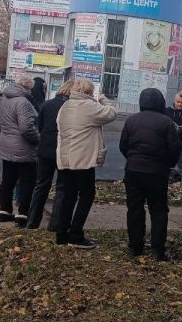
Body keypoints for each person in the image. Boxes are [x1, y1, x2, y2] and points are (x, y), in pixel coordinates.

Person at [119, 88, 182, 261]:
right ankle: (157, 250)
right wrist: (167, 164)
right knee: (159, 210)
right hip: (157, 172)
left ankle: (135, 247)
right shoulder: (166, 122)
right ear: (160, 102)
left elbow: (123, 146)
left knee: (134, 209)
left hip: (133, 170)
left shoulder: (131, 120)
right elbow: (175, 148)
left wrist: (132, 159)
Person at [55, 79, 118, 249]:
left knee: (68, 196)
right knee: (87, 195)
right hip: (82, 160)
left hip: (64, 159)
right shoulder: (89, 107)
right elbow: (112, 113)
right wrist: (104, 99)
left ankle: (61, 234)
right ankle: (75, 234)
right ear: (89, 93)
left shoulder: (65, 106)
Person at [26, 80, 74, 231]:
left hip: (45, 150)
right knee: (62, 188)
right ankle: (55, 225)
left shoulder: (46, 104)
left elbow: (39, 126)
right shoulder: (72, 107)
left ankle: (32, 222)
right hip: (63, 151)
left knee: (41, 185)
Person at [0, 77, 40, 228]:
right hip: (22, 147)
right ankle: (22, 215)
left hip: (5, 143)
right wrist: (38, 139)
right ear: (29, 88)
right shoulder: (23, 102)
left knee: (8, 180)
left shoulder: (6, 99)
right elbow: (26, 128)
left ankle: (4, 212)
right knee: (28, 181)